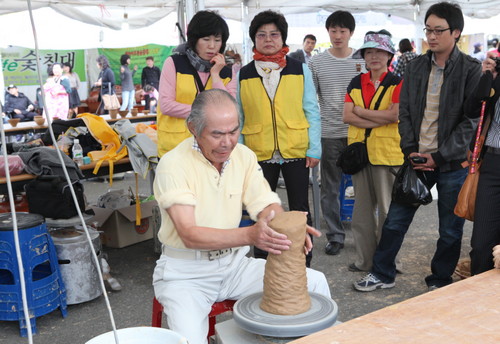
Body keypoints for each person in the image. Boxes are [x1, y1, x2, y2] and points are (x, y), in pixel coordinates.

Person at [152, 89, 331, 344]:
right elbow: (189, 234)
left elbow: (265, 203)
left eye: (233, 131)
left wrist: (287, 228)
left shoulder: (242, 156)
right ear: (193, 127)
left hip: (234, 266)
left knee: (315, 283)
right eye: (217, 134)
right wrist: (250, 235)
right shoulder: (174, 165)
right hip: (185, 274)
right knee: (188, 340)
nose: (227, 142)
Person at [354, 2, 482, 292]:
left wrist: (438, 156)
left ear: (456, 32)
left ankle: (439, 280)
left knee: (450, 229)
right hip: (416, 158)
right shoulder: (415, 67)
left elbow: (470, 122)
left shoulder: (470, 70)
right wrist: (411, 150)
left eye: (439, 30)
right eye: (428, 30)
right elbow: (406, 113)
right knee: (395, 219)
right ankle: (382, 273)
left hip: (450, 164)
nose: (432, 36)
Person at [237, 10, 321, 267]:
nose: (268, 39)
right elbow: (240, 117)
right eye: (261, 34)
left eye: (274, 34)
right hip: (257, 151)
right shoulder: (244, 72)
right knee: (260, 208)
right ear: (254, 39)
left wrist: (314, 148)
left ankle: (302, 261)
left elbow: (311, 110)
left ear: (282, 38)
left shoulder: (299, 69)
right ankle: (262, 262)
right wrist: (240, 152)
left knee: (298, 207)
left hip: (296, 148)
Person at [343, 30, 404, 273]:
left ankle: (389, 262)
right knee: (362, 214)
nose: (374, 56)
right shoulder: (356, 82)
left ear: (389, 55)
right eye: (369, 51)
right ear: (364, 56)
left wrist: (361, 111)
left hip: (387, 155)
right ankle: (365, 261)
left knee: (389, 213)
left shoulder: (398, 82)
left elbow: (396, 115)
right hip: (359, 156)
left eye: (379, 51)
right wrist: (380, 118)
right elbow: (347, 116)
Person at [308, 10, 364, 257]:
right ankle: (335, 236)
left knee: (364, 187)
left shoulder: (363, 59)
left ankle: (364, 236)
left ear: (351, 33)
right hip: (329, 132)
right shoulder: (316, 62)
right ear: (327, 32)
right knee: (330, 187)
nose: (338, 35)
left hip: (359, 133)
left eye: (343, 31)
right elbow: (310, 101)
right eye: (333, 30)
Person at [158, 10, 236, 158]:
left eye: (217, 40)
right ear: (194, 40)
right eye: (206, 39)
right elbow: (166, 105)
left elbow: (227, 110)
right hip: (176, 147)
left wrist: (215, 75)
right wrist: (207, 114)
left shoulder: (227, 72)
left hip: (211, 149)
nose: (212, 46)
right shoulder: (175, 63)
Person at [465, 50, 500, 275]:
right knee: (480, 246)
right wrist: (488, 75)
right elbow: (471, 109)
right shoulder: (496, 76)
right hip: (493, 163)